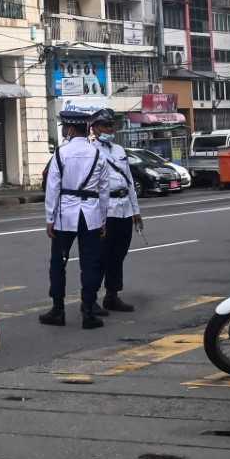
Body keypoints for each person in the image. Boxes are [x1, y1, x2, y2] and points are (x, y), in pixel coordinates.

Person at [41, 106, 110, 329]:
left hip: (65, 216)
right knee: (90, 263)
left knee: (58, 263)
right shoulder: (97, 153)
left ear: (70, 128)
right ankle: (88, 312)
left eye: (64, 128)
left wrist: (49, 218)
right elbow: (104, 189)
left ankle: (58, 311)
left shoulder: (61, 153)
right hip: (90, 215)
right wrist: (103, 219)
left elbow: (53, 188)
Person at [91, 108, 139, 312]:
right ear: (94, 128)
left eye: (111, 125)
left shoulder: (119, 150)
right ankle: (90, 299)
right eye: (105, 125)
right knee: (100, 256)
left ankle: (112, 295)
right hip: (104, 211)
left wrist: (136, 211)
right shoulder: (90, 150)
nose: (109, 128)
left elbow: (129, 181)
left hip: (124, 208)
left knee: (118, 255)